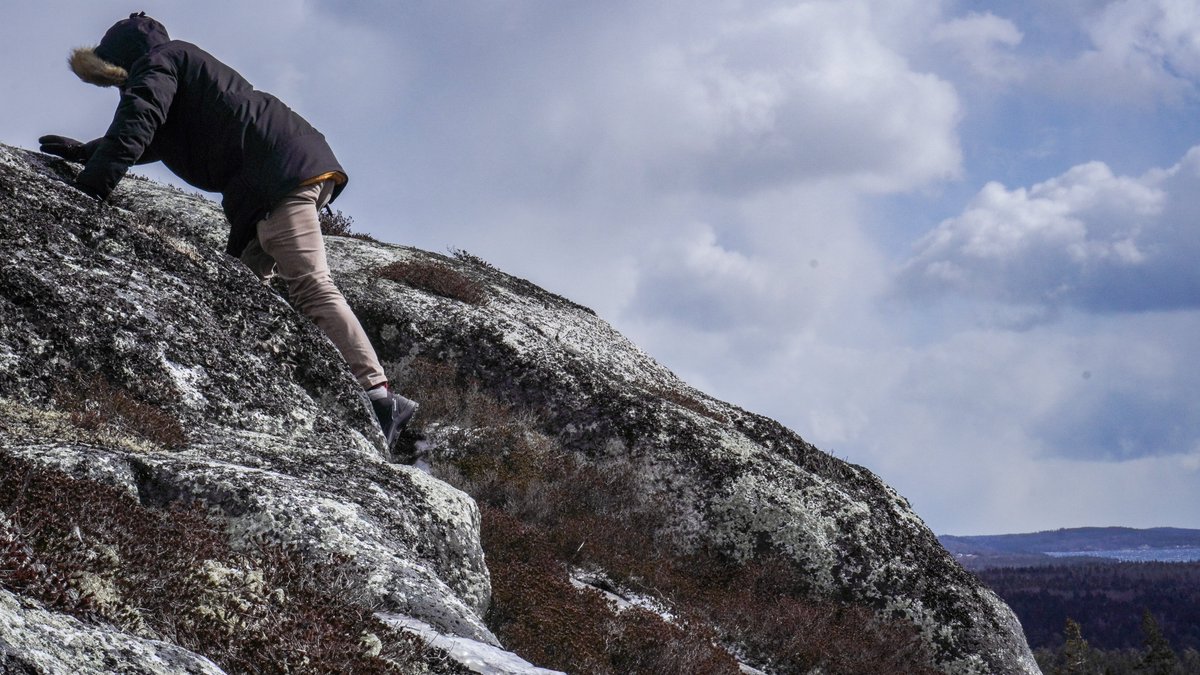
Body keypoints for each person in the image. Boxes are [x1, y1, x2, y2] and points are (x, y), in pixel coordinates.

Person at [39, 12, 417, 448]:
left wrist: (89, 192)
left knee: (311, 285)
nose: (119, 90)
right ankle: (276, 394)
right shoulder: (182, 69)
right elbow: (152, 135)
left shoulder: (162, 61)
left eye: (115, 79)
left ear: (125, 62)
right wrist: (90, 152)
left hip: (277, 177)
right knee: (239, 294)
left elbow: (139, 119)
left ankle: (379, 397)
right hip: (278, 174)